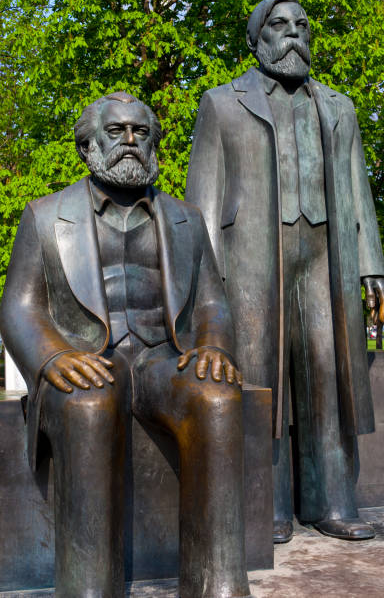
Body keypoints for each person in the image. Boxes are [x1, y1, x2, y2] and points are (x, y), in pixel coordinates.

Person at [0, 91, 252, 598]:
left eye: (142, 132)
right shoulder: (44, 216)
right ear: (87, 145)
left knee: (217, 395)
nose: (131, 141)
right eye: (117, 131)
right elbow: (20, 307)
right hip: (88, 360)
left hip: (163, 360)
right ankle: (89, 589)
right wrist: (52, 357)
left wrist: (215, 348)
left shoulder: (185, 218)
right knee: (89, 403)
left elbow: (212, 305)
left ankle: (217, 585)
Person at [186, 0, 384, 543]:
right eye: (279, 26)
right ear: (256, 40)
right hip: (251, 255)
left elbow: (357, 186)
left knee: (329, 373)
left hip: (328, 254)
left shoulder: (339, 106)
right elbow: (202, 195)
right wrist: (201, 281)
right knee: (260, 375)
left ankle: (334, 502)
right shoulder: (221, 104)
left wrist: (372, 266)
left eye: (301, 25)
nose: (293, 34)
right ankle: (267, 505)